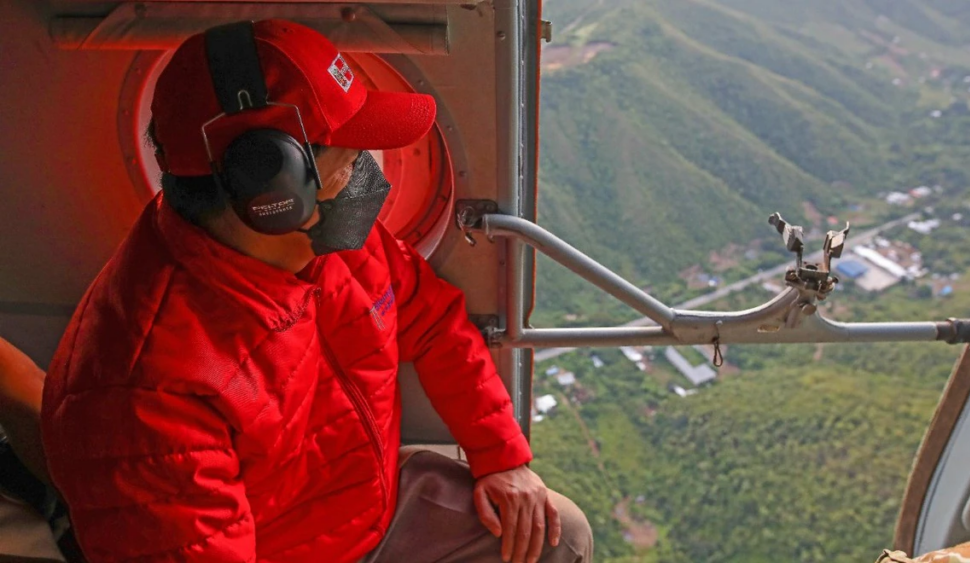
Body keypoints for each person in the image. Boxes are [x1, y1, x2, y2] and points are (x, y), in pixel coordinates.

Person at [41, 19, 592, 563]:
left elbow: (433, 320)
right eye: (352, 161)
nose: (369, 179)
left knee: (557, 536)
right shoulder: (143, 392)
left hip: (372, 507)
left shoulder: (329, 240)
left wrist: (499, 455)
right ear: (274, 192)